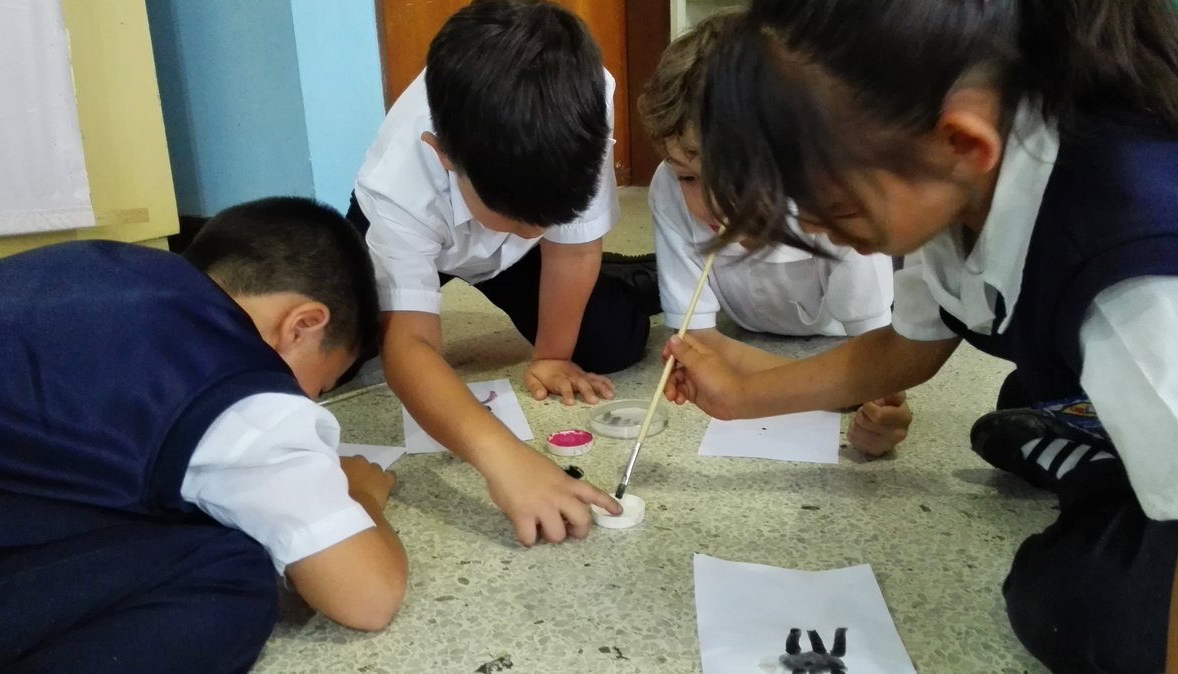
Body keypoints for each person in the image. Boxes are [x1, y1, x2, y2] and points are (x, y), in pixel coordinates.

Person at [665, 1, 1178, 671]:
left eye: (836, 207)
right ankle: (1099, 440)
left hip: (1154, 372)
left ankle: (1110, 470)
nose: (814, 228)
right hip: (1127, 380)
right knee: (1036, 394)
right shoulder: (957, 175)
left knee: (1067, 606)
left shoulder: (1134, 277)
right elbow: (909, 346)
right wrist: (740, 396)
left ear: (960, 143)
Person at [0, 198, 408, 673]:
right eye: (320, 385)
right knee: (228, 571)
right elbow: (368, 598)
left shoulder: (93, 265)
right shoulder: (233, 376)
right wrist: (360, 497)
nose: (307, 400)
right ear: (302, 325)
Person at [346, 0, 650, 545]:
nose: (534, 231)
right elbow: (412, 344)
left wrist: (551, 356)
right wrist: (503, 457)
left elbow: (571, 248)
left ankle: (635, 277)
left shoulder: (582, 99)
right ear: (443, 155)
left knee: (611, 341)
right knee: (344, 347)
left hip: (510, 209)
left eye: (548, 220)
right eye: (518, 219)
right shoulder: (397, 185)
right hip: (422, 233)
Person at [639, 10, 910, 457]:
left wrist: (874, 407)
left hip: (836, 333)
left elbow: (878, 359)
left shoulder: (832, 202)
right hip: (757, 332)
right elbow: (696, 341)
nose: (711, 205)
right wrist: (832, 389)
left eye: (734, 177)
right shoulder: (667, 191)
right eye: (688, 177)